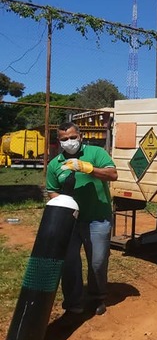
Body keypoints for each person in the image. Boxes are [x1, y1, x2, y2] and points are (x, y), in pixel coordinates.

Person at [46, 122, 118, 317]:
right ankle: (73, 303)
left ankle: (97, 297)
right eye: (64, 139)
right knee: (69, 262)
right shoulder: (55, 164)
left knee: (97, 261)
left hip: (98, 218)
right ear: (59, 141)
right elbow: (51, 190)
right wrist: (64, 204)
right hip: (69, 221)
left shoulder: (96, 153)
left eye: (72, 137)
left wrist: (87, 168)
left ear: (80, 136)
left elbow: (113, 174)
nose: (69, 142)